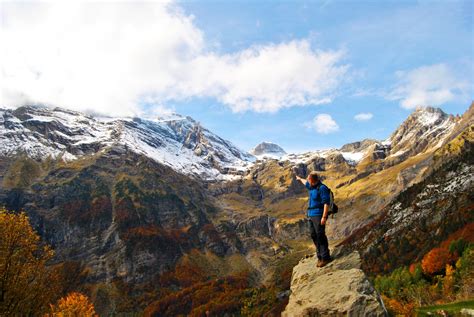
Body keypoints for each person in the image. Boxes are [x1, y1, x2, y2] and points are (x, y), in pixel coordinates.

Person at [295, 171, 332, 267]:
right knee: (313, 235)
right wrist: (299, 179)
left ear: (313, 180)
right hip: (311, 214)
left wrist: (324, 217)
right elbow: (305, 182)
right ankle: (319, 256)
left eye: (309, 179)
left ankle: (325, 257)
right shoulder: (311, 186)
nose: (307, 180)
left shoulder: (322, 188)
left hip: (319, 215)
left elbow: (326, 203)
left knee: (320, 235)